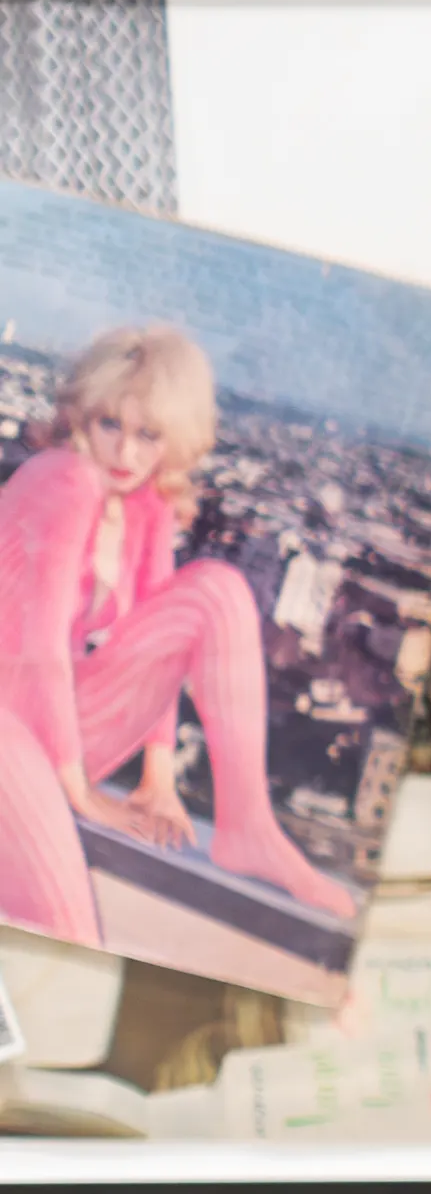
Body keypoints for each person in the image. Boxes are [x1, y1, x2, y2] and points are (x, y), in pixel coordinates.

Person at [0, 321, 357, 948]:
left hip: (40, 728)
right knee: (68, 927)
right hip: (13, 723)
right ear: (82, 414)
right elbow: (41, 653)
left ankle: (248, 828)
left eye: (148, 435)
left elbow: (162, 641)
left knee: (216, 588)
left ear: (175, 439)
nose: (126, 455)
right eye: (110, 424)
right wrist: (77, 790)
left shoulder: (145, 502)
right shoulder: (66, 479)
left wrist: (158, 779)